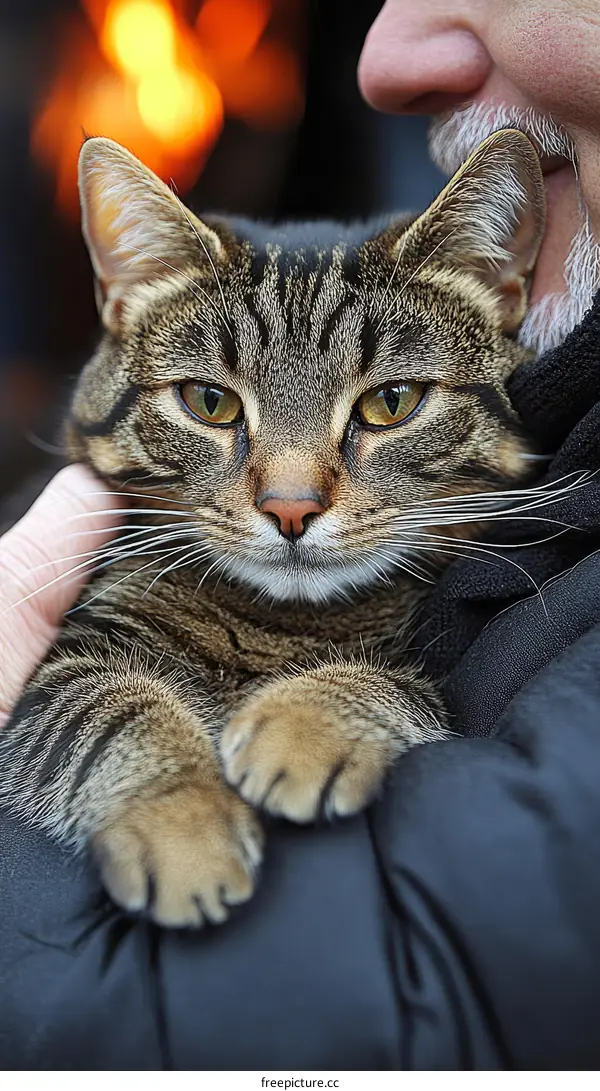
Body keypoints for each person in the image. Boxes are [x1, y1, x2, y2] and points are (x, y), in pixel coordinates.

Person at [2, 0, 600, 1070]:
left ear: (502, 293)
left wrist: (360, 698)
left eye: (381, 405)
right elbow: (65, 681)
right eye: (214, 404)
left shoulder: (509, 550)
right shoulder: (132, 547)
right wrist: (149, 777)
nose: (291, 493)